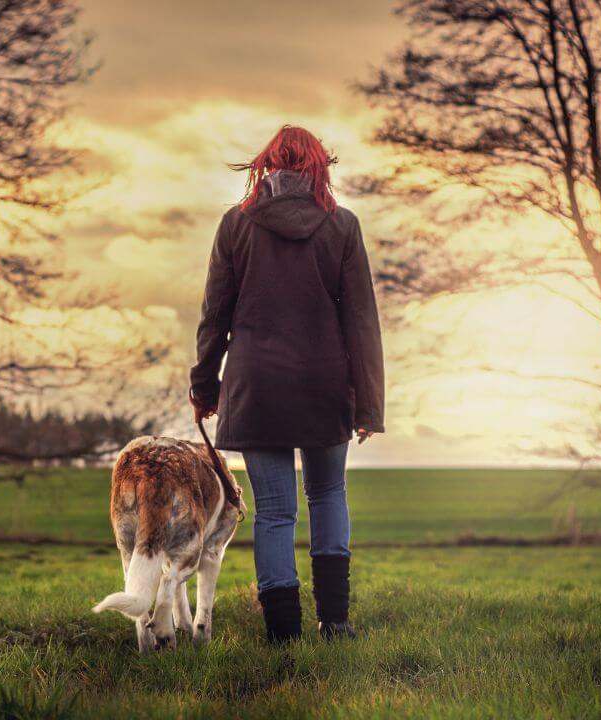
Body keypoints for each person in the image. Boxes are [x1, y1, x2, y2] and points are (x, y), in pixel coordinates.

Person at [189, 125, 385, 643]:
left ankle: (283, 637)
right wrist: (369, 405)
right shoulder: (342, 226)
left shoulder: (236, 225)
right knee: (327, 494)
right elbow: (361, 321)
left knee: (275, 511)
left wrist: (204, 388)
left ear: (267, 166)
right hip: (325, 383)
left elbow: (215, 315)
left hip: (257, 387)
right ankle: (336, 625)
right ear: (320, 167)